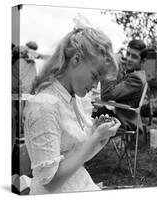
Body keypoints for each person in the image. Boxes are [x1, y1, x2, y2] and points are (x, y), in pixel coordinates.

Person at [23, 27, 121, 194]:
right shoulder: (45, 106)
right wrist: (95, 137)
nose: (95, 86)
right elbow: (51, 182)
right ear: (76, 59)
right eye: (95, 76)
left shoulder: (75, 99)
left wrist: (99, 137)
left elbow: (75, 160)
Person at [98, 39, 148, 131]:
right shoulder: (135, 74)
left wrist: (112, 66)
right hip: (121, 115)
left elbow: (106, 95)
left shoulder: (137, 79)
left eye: (134, 57)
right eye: (128, 54)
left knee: (90, 114)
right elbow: (115, 89)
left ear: (143, 61)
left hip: (124, 120)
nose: (128, 59)